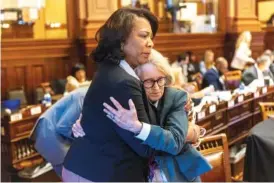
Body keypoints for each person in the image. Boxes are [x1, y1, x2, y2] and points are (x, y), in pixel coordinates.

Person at [73, 49, 212, 182]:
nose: (156, 88)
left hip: (175, 173)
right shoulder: (126, 100)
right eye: (149, 82)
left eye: (160, 80)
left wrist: (139, 128)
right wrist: (84, 123)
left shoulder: (176, 97)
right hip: (137, 172)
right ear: (135, 83)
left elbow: (174, 142)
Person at [62, 7, 161, 182]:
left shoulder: (112, 69)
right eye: (144, 36)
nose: (150, 43)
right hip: (97, 173)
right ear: (121, 41)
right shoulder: (123, 82)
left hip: (90, 168)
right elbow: (146, 148)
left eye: (151, 38)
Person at [29, 87, 88, 177]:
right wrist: (83, 140)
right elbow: (63, 127)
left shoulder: (87, 94)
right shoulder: (83, 96)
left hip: (54, 133)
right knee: (72, 176)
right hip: (49, 133)